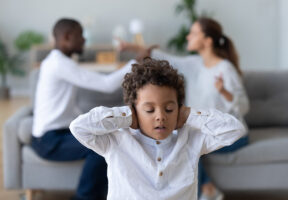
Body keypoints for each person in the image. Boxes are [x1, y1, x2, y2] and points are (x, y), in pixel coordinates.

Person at [69, 57, 246, 200]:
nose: (160, 116)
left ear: (179, 107)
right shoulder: (115, 141)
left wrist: (189, 115)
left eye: (169, 109)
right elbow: (79, 128)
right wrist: (126, 116)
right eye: (149, 110)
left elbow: (235, 130)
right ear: (134, 109)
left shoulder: (191, 139)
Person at [119, 17, 250, 200]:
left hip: (229, 133)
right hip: (200, 129)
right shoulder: (195, 64)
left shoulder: (225, 69)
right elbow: (158, 55)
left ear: (207, 41)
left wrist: (224, 92)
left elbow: (243, 107)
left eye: (194, 33)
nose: (188, 37)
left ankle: (207, 188)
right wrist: (131, 47)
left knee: (185, 143)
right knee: (177, 139)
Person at [31, 18, 135, 200]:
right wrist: (136, 62)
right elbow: (107, 84)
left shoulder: (58, 62)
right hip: (49, 141)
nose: (84, 40)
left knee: (106, 137)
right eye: (80, 36)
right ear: (67, 37)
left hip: (58, 134)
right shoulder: (59, 64)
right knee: (98, 146)